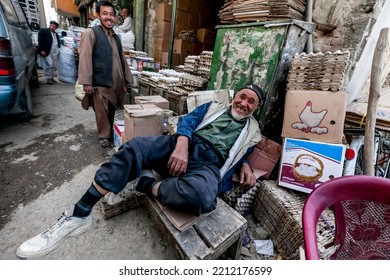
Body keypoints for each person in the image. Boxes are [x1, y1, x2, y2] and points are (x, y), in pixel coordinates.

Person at [16, 83, 265, 259]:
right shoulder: (214, 106)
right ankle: (80, 214)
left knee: (202, 197)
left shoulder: (253, 132)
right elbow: (187, 121)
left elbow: (240, 154)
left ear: (256, 107)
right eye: (242, 96)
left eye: (250, 101)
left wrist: (245, 166)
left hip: (208, 165)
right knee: (136, 146)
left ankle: (144, 185)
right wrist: (181, 144)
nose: (243, 103)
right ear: (235, 96)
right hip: (184, 145)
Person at [78, 1, 133, 147]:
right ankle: (103, 134)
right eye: (105, 14)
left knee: (111, 109)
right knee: (101, 110)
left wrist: (127, 80)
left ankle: (108, 132)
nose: (109, 17)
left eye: (111, 14)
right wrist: (87, 82)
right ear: (98, 15)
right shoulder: (91, 33)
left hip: (115, 82)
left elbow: (122, 59)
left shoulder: (115, 36)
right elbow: (85, 57)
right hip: (100, 81)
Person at [36, 20, 61, 85]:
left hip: (55, 52)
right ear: (49, 25)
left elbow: (57, 42)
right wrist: (41, 50)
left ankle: (52, 78)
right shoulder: (44, 31)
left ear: (56, 28)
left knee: (54, 66)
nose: (52, 27)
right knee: (49, 65)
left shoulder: (56, 34)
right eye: (51, 25)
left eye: (54, 26)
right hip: (47, 51)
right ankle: (48, 78)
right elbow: (40, 41)